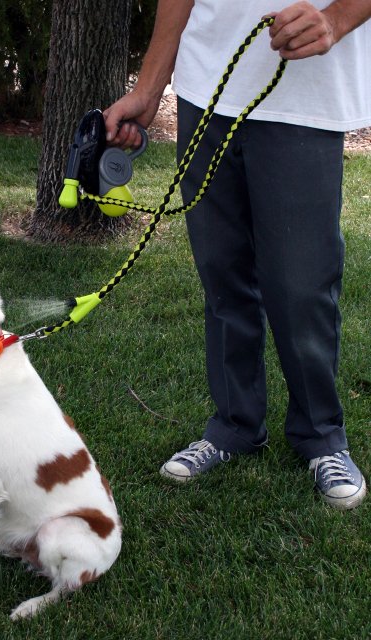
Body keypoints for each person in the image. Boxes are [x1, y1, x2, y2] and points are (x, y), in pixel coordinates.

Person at [104, 0, 371, 509]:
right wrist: (148, 87)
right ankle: (235, 425)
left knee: (300, 283)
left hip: (307, 94)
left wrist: (336, 19)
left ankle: (320, 434)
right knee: (221, 271)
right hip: (207, 89)